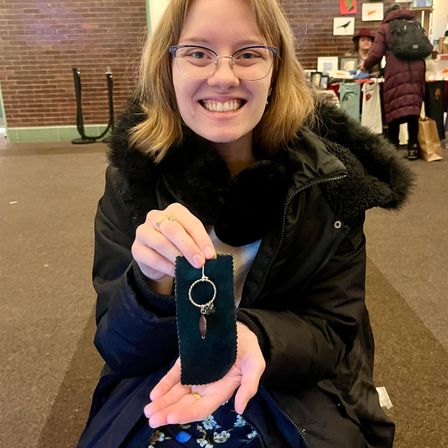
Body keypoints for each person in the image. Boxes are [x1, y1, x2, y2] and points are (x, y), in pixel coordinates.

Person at [77, 0, 414, 446]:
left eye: (249, 53)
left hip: (292, 386)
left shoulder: (330, 182)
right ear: (168, 68)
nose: (223, 76)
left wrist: (255, 337)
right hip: (162, 382)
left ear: (277, 70)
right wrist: (152, 284)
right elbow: (118, 348)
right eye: (198, 52)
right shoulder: (134, 179)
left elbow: (333, 330)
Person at [362, 4, 431, 160]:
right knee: (413, 108)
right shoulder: (415, 23)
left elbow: (376, 53)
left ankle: (392, 148)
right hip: (417, 71)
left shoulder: (386, 27)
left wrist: (365, 66)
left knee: (394, 109)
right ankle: (413, 147)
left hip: (396, 70)